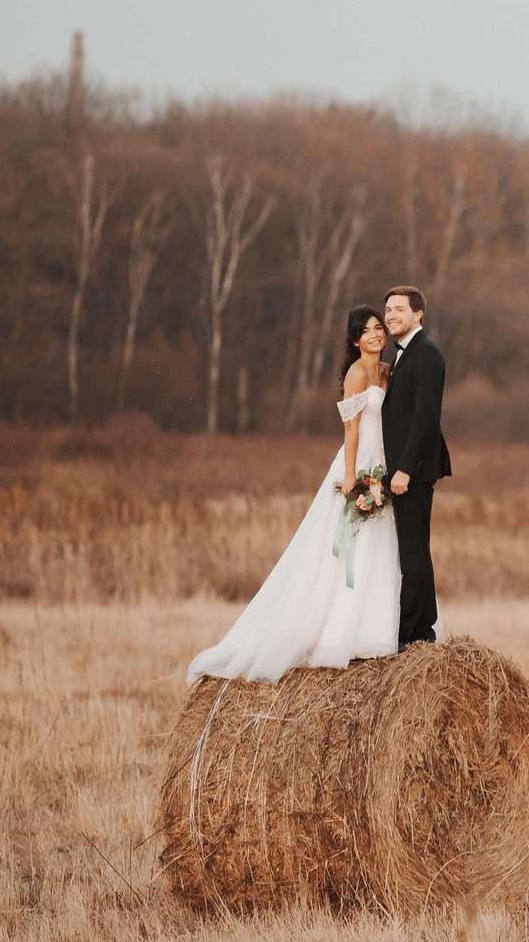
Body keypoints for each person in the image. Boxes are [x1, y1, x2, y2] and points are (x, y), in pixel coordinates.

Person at [185, 305, 411, 683]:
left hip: (384, 464)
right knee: (346, 548)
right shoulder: (356, 375)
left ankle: (376, 631)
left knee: (382, 546)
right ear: (355, 340)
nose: (375, 335)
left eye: (378, 329)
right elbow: (351, 433)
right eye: (367, 331)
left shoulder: (387, 372)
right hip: (360, 463)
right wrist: (353, 479)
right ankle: (338, 633)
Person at [380, 284, 453, 646]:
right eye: (388, 309)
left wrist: (405, 469)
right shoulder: (403, 354)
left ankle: (408, 637)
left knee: (413, 554)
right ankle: (424, 629)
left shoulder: (427, 354)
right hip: (401, 471)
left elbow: (426, 419)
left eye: (399, 309)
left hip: (414, 472)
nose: (391, 315)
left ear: (418, 314)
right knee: (415, 550)